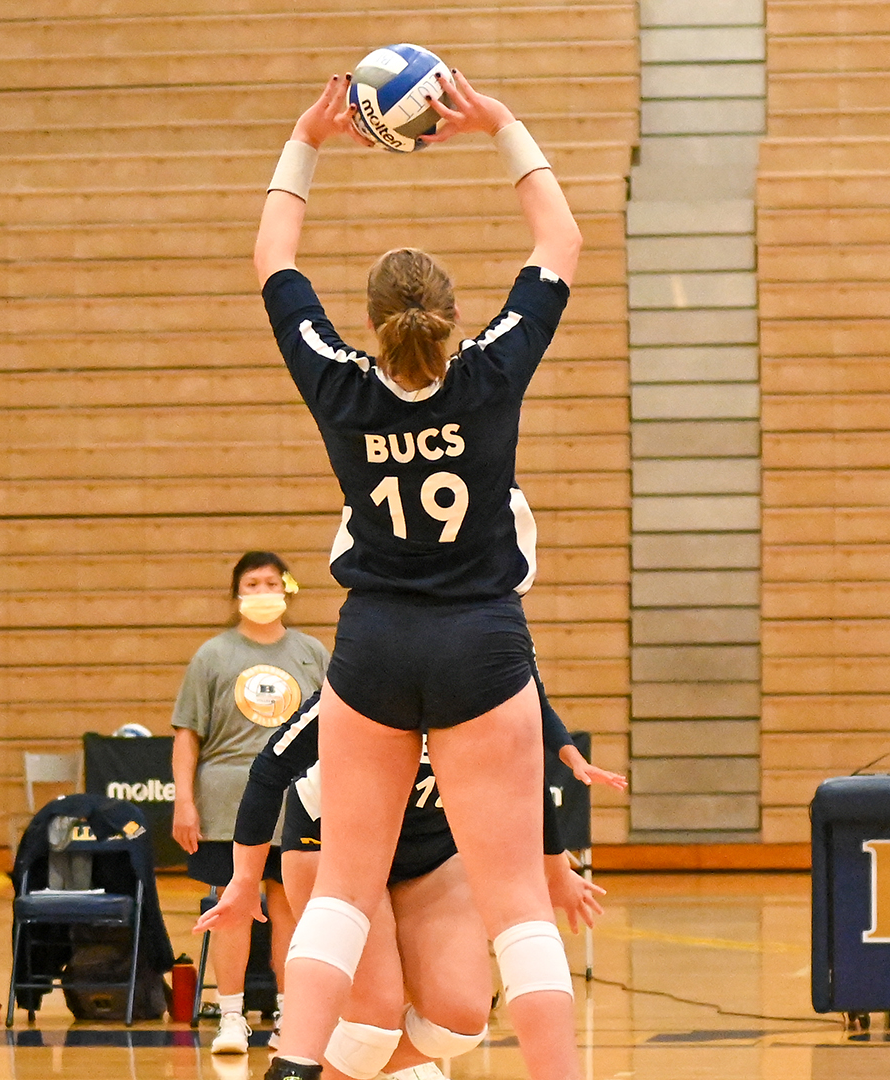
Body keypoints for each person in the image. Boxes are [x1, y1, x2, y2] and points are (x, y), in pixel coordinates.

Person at [253, 69, 584, 1080]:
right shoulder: (488, 372)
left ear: (376, 320)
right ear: (447, 317)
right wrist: (500, 124)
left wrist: (307, 141)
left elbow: (273, 258)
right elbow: (560, 244)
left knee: (343, 887)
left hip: (377, 641)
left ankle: (296, 1063)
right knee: (516, 896)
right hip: (482, 638)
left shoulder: (340, 385)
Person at [200, 682, 621, 1079]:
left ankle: (377, 1065)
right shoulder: (362, 681)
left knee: (459, 1021)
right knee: (372, 1025)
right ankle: (338, 1060)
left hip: (433, 852)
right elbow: (270, 768)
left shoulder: (484, 687)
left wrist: (556, 871)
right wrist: (244, 878)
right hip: (332, 844)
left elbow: (525, 773)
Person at [173, 551, 330, 1053]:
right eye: (252, 583)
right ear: (237, 593)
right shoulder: (212, 656)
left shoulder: (313, 653)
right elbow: (186, 736)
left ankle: (291, 1016)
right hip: (225, 804)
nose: (262, 591)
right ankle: (232, 1018)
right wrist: (184, 801)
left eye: (271, 582)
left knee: (291, 912)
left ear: (287, 589)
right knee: (232, 909)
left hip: (298, 803)